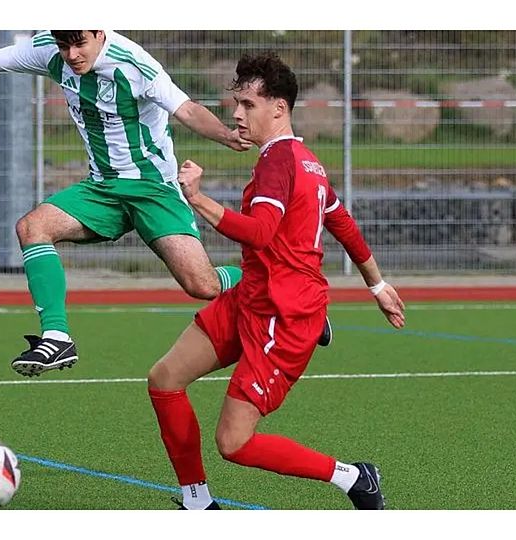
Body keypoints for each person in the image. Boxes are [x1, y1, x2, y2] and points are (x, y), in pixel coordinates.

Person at [0, 30, 253, 377]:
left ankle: (263, 279)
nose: (72, 55)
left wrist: (226, 136)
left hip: (152, 189)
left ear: (98, 33)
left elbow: (186, 109)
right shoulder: (50, 48)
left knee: (203, 286)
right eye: (64, 46)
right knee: (32, 227)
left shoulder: (134, 63)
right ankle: (57, 338)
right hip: (102, 189)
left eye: (79, 44)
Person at [146, 52, 406, 510]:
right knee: (165, 378)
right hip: (252, 296)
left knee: (234, 442)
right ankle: (197, 502)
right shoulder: (307, 161)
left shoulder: (280, 162)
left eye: (247, 104)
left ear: (278, 109)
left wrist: (198, 200)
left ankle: (354, 477)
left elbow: (261, 232)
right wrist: (377, 286)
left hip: (283, 316)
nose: (236, 114)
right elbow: (341, 222)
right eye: (236, 103)